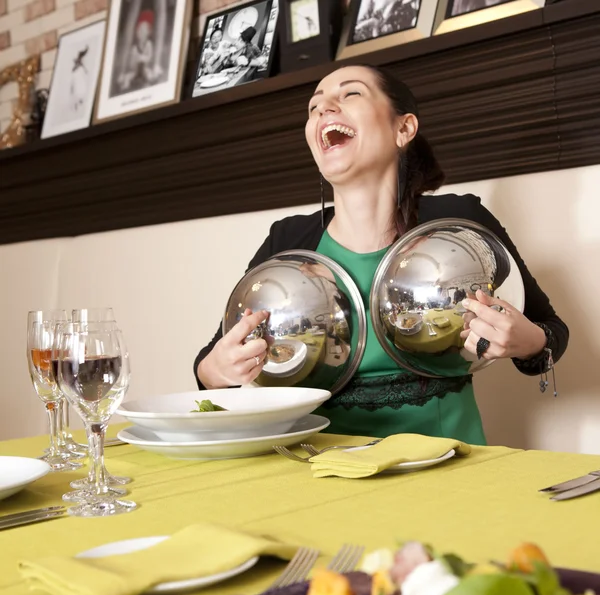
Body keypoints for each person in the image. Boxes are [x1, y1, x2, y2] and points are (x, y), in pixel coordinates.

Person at [193, 65, 569, 445]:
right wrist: (217, 370)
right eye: (313, 107)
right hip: (316, 468)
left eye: (349, 94)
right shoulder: (288, 240)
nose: (323, 109)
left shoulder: (460, 222)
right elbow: (212, 365)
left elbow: (552, 331)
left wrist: (528, 341)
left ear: (403, 129)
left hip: (449, 467)